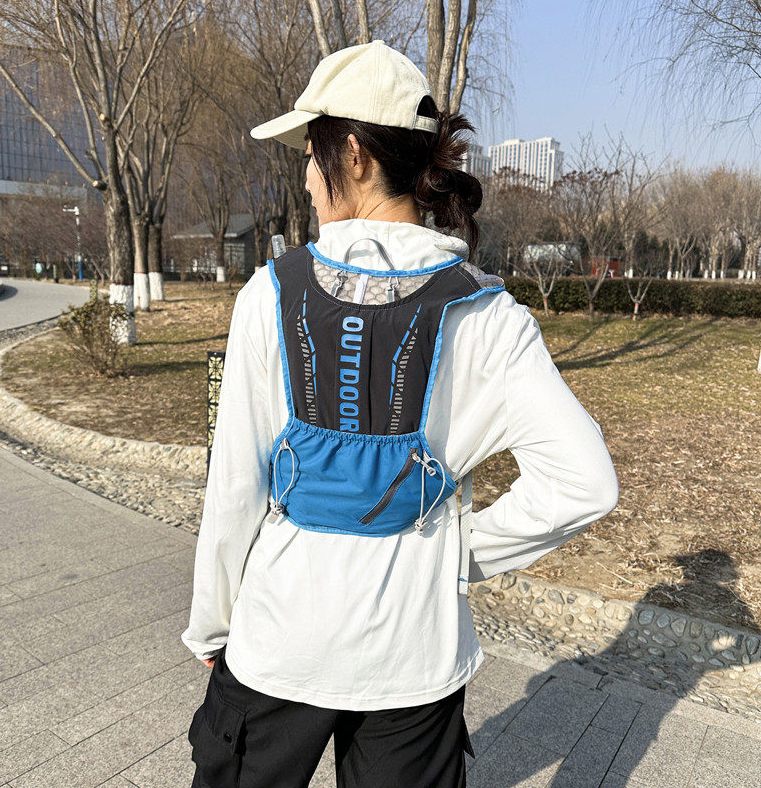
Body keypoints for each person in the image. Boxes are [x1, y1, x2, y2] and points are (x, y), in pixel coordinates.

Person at [181, 39, 619, 788]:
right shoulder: (489, 314)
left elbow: (234, 491)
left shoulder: (271, 293)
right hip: (414, 657)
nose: (307, 179)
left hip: (281, 637)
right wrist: (456, 553)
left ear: (352, 156)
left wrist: (213, 624)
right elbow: (586, 484)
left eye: (311, 156)